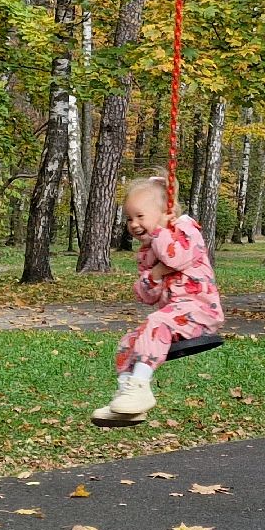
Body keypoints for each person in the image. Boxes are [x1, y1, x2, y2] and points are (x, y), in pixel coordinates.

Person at [91, 176, 223, 427]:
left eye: (140, 216)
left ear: (166, 213)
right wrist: (154, 274)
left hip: (199, 311)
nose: (134, 224)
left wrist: (162, 230)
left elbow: (176, 258)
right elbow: (146, 295)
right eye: (129, 218)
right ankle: (127, 400)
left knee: (156, 321)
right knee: (128, 342)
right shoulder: (147, 249)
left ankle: (140, 387)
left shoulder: (185, 230)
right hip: (173, 318)